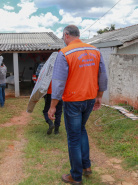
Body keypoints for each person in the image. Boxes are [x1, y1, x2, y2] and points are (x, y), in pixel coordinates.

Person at [48, 25, 108, 184]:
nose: (63, 39)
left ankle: (75, 176)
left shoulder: (65, 53)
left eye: (63, 37)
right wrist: (99, 96)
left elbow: (59, 83)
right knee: (81, 130)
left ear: (66, 35)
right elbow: (103, 76)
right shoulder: (95, 51)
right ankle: (86, 167)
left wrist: (53, 106)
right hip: (89, 99)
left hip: (73, 101)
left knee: (73, 138)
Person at [36, 62, 63, 135]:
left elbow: (42, 83)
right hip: (60, 94)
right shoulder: (61, 72)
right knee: (58, 112)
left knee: (46, 111)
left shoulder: (48, 73)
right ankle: (56, 130)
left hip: (50, 94)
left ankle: (50, 123)